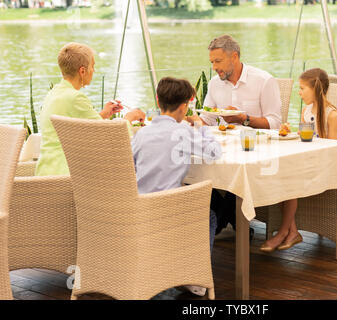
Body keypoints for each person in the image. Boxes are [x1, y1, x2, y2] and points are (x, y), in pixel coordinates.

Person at [132, 77, 222, 296]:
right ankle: (194, 277)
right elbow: (214, 152)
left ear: (157, 100)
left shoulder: (141, 133)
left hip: (138, 207)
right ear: (185, 106)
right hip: (167, 211)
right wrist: (200, 127)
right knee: (209, 215)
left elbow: (131, 166)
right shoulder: (183, 132)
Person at [186, 34, 282, 234]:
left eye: (218, 61)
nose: (214, 67)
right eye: (212, 62)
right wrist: (185, 120)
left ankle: (216, 224)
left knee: (232, 170)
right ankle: (226, 220)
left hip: (258, 151)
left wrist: (244, 119)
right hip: (224, 148)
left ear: (234, 57)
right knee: (190, 166)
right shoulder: (214, 83)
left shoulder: (264, 81)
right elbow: (209, 119)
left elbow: (275, 123)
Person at [260, 68, 337, 252]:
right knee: (282, 177)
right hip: (309, 160)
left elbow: (332, 149)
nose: (299, 92)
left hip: (325, 164)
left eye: (302, 88)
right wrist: (291, 132)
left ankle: (282, 233)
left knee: (289, 181)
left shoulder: (332, 114)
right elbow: (305, 137)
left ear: (316, 90)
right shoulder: (306, 110)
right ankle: (293, 232)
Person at [36, 42, 145, 176]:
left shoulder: (54, 93)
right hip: (67, 175)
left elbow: (79, 126)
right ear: (82, 71)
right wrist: (129, 118)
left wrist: (104, 114)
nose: (93, 71)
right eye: (93, 66)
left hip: (47, 169)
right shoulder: (75, 98)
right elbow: (108, 135)